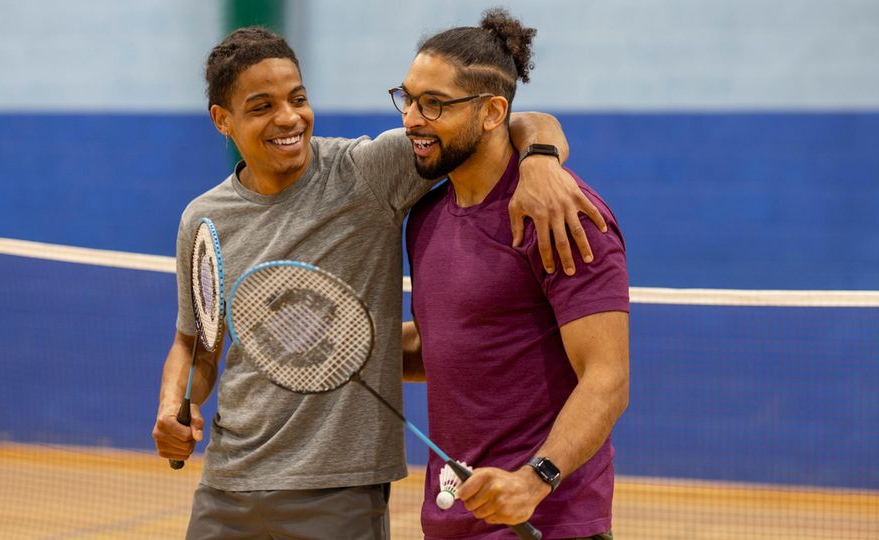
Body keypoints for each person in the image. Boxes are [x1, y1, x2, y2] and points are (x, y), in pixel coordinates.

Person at [151, 27, 608, 539]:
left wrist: (541, 156)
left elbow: (494, 122)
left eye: (298, 98)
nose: (288, 118)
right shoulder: (204, 218)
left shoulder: (367, 172)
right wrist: (176, 405)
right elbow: (196, 345)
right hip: (227, 482)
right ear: (222, 120)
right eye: (262, 107)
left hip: (341, 486)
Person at [400, 8, 630, 540]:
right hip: (452, 519)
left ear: (491, 112)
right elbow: (457, 347)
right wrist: (341, 351)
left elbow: (608, 378)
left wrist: (535, 479)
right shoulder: (426, 218)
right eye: (408, 97)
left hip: (548, 521)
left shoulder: (562, 216)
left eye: (433, 104)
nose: (412, 118)